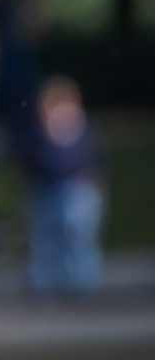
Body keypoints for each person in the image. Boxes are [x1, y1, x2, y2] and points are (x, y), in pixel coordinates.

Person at [18, 75, 105, 298]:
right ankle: (44, 285)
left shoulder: (84, 130)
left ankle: (81, 282)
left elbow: (94, 158)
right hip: (46, 188)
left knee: (79, 236)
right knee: (46, 238)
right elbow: (29, 160)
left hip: (78, 189)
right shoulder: (34, 133)